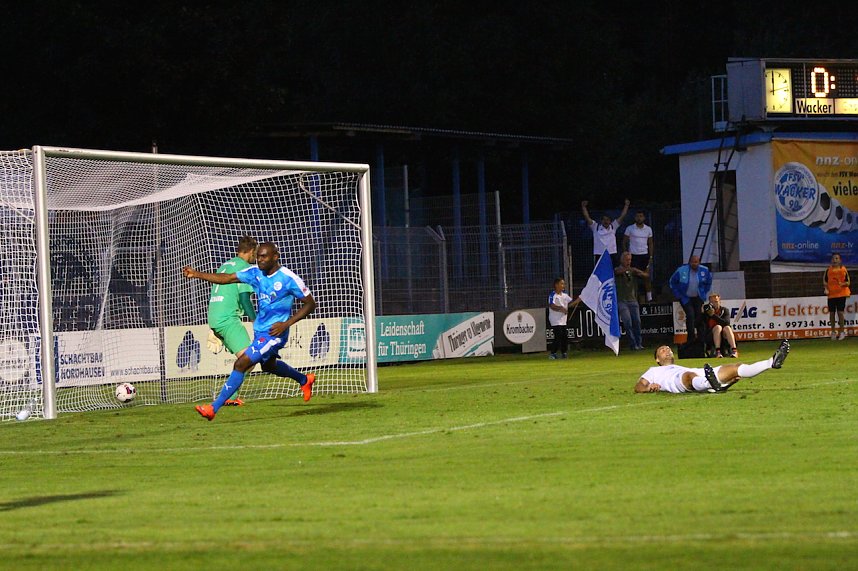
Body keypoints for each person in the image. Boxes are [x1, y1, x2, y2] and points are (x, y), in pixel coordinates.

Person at [183, 242, 317, 421]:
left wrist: (286, 324)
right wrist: (197, 274)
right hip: (261, 331)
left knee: (241, 363)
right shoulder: (255, 273)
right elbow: (227, 278)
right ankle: (304, 380)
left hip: (275, 334)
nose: (260, 260)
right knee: (268, 366)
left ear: (275, 257)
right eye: (259, 256)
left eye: (264, 257)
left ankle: (213, 408)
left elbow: (310, 304)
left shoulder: (288, 278)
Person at [207, 235, 258, 406]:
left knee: (247, 359)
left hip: (215, 315)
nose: (255, 258)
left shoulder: (225, 265)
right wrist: (255, 321)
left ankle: (216, 331)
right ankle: (229, 395)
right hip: (227, 318)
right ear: (251, 251)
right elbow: (245, 299)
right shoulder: (245, 268)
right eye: (255, 254)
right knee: (249, 359)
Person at [634, 340, 790, 394]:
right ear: (657, 359)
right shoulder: (654, 371)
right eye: (663, 350)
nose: (667, 351)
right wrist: (648, 388)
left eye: (668, 349)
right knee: (688, 377)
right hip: (677, 381)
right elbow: (638, 386)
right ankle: (711, 385)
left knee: (735, 367)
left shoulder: (679, 366)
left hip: (700, 372)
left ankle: (771, 362)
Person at [669, 255, 712, 346]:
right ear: (689, 262)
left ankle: (701, 339)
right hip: (685, 297)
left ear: (699, 262)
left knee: (699, 317)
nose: (694, 264)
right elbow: (672, 282)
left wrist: (704, 292)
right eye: (692, 262)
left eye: (696, 262)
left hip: (698, 297)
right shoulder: (681, 270)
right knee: (690, 315)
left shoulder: (705, 270)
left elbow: (709, 282)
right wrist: (678, 295)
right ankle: (691, 338)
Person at [582, 199, 630, 267]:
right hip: (599, 254)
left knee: (612, 272)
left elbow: (622, 216)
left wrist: (626, 205)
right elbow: (587, 217)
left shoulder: (613, 226)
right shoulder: (596, 227)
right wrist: (584, 207)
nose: (606, 221)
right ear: (601, 220)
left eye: (607, 220)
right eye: (604, 219)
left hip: (611, 253)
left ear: (610, 221)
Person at [614, 252, 646, 350]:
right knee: (628, 322)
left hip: (633, 300)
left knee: (637, 322)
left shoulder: (633, 271)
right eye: (627, 260)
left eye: (630, 260)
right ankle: (632, 343)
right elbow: (617, 272)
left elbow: (645, 275)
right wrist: (629, 270)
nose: (628, 262)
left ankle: (639, 343)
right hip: (622, 301)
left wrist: (639, 272)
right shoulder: (617, 269)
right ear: (622, 260)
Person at [622, 210, 654, 302]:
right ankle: (633, 297)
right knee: (633, 277)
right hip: (633, 256)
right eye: (637, 216)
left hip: (645, 256)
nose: (639, 218)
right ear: (635, 218)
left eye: (641, 216)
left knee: (647, 277)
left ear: (644, 218)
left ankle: (649, 298)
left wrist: (651, 256)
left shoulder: (648, 229)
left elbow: (650, 243)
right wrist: (626, 254)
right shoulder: (630, 228)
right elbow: (624, 242)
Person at [547, 277, 581, 359]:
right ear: (556, 285)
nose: (563, 285)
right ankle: (553, 353)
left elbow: (570, 304)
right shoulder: (553, 295)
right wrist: (561, 308)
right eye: (561, 284)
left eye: (563, 284)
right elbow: (551, 305)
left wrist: (578, 300)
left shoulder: (565, 296)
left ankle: (564, 352)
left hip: (563, 320)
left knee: (564, 336)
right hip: (555, 320)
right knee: (558, 336)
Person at [823, 253, 851, 341]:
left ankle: (842, 332)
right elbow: (825, 281)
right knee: (831, 313)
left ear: (840, 260)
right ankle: (833, 332)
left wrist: (842, 284)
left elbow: (848, 282)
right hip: (831, 295)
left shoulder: (843, 270)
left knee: (840, 313)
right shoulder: (828, 270)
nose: (835, 260)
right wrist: (826, 289)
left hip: (841, 294)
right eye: (833, 258)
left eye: (836, 258)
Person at [702, 293, 737, 358]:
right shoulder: (707, 309)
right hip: (711, 335)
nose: (714, 303)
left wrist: (713, 315)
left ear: (719, 301)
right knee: (718, 327)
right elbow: (699, 321)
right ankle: (718, 352)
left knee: (727, 328)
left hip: (723, 334)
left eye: (716, 301)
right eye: (712, 302)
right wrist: (704, 313)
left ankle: (734, 350)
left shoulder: (724, 310)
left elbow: (726, 322)